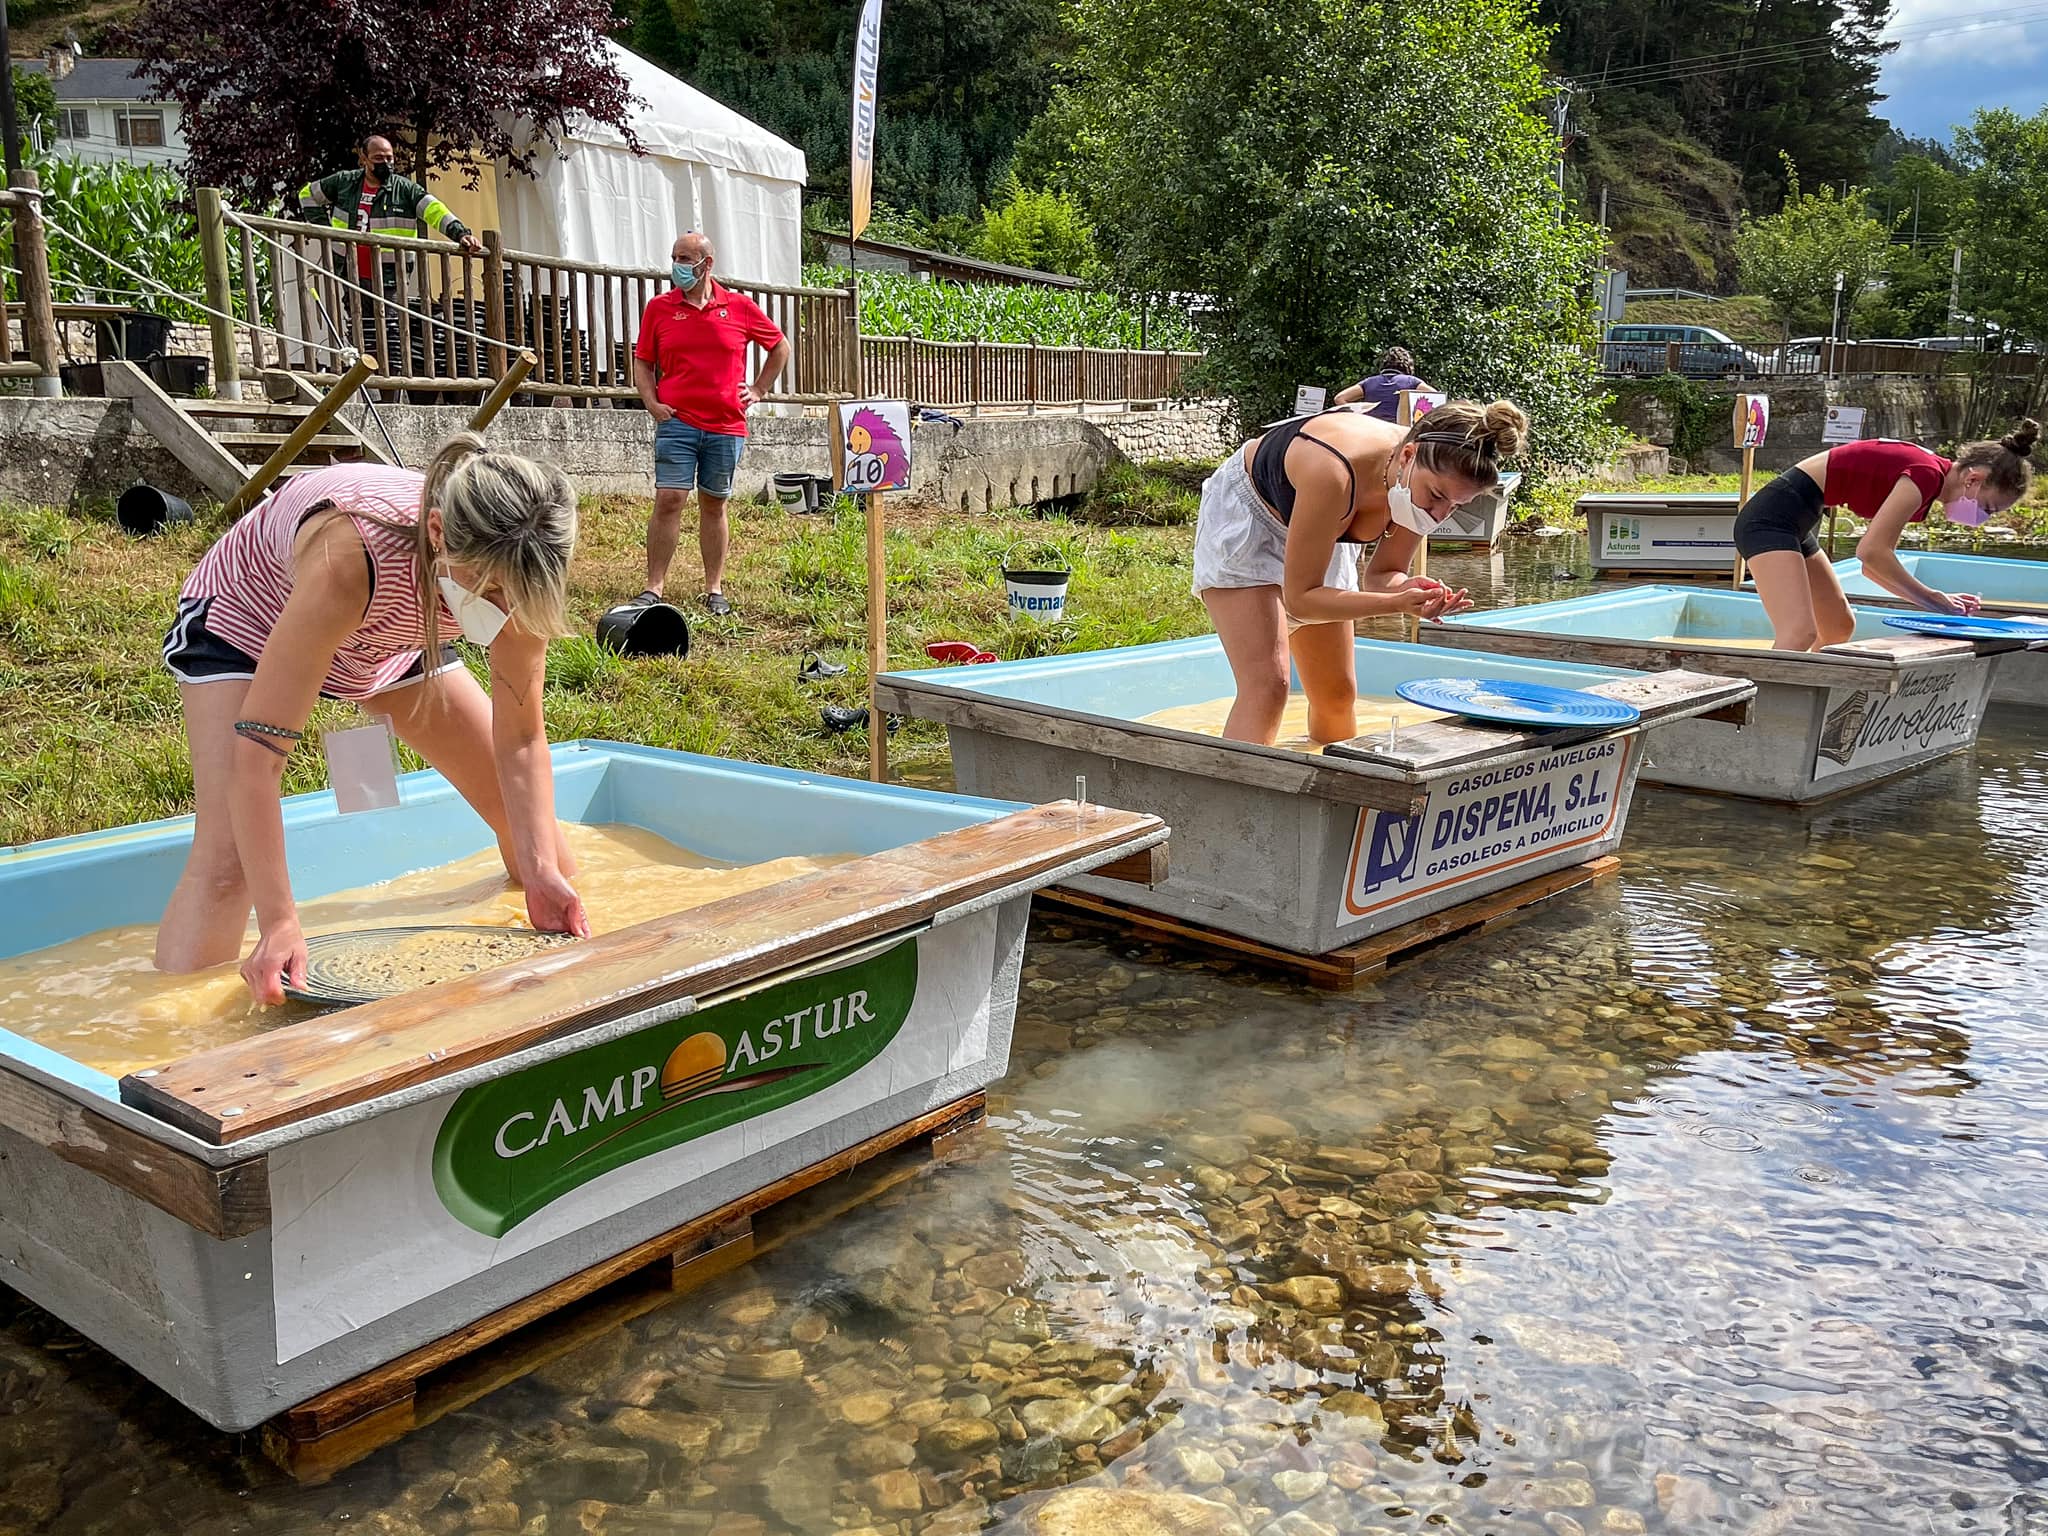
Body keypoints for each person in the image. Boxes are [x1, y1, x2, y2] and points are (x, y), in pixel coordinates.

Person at [154, 435, 590, 1005]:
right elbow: (256, 760)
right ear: (436, 533)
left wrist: (537, 871)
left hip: (392, 636)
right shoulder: (346, 558)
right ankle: (173, 1037)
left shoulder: (522, 572)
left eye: (521, 596)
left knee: (545, 847)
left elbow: (522, 736)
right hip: (248, 624)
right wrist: (280, 921)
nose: (506, 612)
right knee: (228, 864)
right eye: (490, 591)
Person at [1194, 399, 1529, 746]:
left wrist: (1410, 590)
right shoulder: (1332, 472)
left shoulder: (1424, 477)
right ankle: (1237, 796)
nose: (1439, 513)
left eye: (1456, 505)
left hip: (1325, 523)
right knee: (1268, 687)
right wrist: (1397, 604)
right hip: (1253, 516)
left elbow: (1383, 575)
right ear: (1407, 456)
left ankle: (1337, 791)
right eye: (1437, 496)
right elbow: (1301, 601)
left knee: (1337, 695)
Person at [1736, 423, 2037, 651]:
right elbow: (1872, 552)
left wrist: (1933, 601)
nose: (1983, 518)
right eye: (1987, 508)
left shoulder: (1930, 480)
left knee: (1838, 626)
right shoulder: (1925, 475)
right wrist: (1932, 598)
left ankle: (1805, 692)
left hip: (1799, 520)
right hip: (1770, 518)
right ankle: (1762, 710)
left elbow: (1872, 567)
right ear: (1973, 479)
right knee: (1799, 632)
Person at [631, 231, 794, 617]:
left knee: (714, 503)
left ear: (708, 263)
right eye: (675, 257)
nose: (678, 266)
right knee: (669, 499)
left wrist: (758, 389)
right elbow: (642, 359)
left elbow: (780, 346)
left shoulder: (738, 307)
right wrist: (652, 402)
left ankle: (713, 588)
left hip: (725, 424)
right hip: (677, 422)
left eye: (686, 259)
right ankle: (654, 586)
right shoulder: (659, 308)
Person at [295, 135, 484, 370]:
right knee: (358, 323)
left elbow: (434, 210)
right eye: (378, 158)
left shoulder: (403, 188)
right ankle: (363, 374)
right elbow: (307, 194)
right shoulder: (345, 182)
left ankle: (389, 381)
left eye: (389, 158)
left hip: (390, 273)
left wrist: (460, 233)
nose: (386, 163)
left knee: (390, 326)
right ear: (363, 158)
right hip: (349, 269)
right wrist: (324, 229)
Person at [1334, 347, 1434, 421]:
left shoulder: (1369, 382)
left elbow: (1339, 398)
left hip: (1372, 429)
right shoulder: (1412, 382)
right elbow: (1436, 397)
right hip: (1399, 430)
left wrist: (1358, 418)